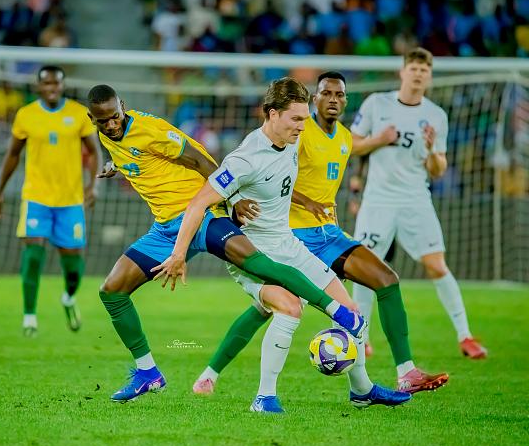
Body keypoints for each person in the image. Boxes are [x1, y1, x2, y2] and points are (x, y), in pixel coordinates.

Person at [88, 83, 367, 404]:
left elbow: (199, 160)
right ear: (92, 119)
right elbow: (134, 154)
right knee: (112, 291)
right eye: (103, 121)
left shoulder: (151, 130)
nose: (111, 124)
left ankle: (338, 313)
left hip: (204, 215)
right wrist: (116, 165)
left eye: (115, 117)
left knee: (260, 265)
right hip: (166, 228)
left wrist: (232, 199)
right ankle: (148, 372)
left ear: (122, 106)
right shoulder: (108, 135)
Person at [152, 77, 411, 413]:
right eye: (296, 119)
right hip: (252, 254)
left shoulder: (290, 141)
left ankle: (362, 391)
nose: (303, 126)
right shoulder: (246, 158)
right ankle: (264, 398)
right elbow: (198, 203)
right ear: (272, 114)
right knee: (290, 308)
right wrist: (179, 253)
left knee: (351, 312)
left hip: (288, 243)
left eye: (304, 118)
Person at [350, 47, 487, 359]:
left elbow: (438, 170)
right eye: (413, 68)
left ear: (429, 77)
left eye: (424, 70)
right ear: (402, 72)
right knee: (364, 267)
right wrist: (378, 139)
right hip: (378, 199)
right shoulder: (377, 103)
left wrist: (433, 150)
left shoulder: (436, 115)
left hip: (415, 199)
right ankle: (361, 337)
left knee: (436, 265)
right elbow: (351, 145)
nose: (418, 74)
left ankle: (465, 336)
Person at [0, 65, 99, 337]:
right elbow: (13, 155)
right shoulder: (26, 115)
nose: (52, 88)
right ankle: (29, 316)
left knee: (73, 266)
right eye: (47, 83)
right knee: (33, 254)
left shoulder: (78, 113)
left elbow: (94, 152)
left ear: (63, 86)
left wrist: (93, 184)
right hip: (36, 197)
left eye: (56, 83)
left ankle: (69, 298)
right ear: (38, 86)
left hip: (70, 200)